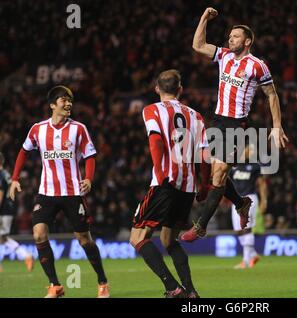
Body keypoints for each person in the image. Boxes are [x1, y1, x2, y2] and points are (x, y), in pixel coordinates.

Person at [181, 7, 289, 242]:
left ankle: (200, 226)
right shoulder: (224, 56)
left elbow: (272, 95)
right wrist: (203, 18)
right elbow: (198, 46)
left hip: (236, 124)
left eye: (236, 36)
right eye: (229, 36)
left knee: (219, 174)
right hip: (218, 119)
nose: (230, 38)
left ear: (247, 41)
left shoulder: (257, 65)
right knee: (212, 171)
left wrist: (277, 126)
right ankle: (242, 203)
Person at [9, 86, 109, 298]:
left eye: (70, 100)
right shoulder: (38, 129)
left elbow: (90, 156)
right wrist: (15, 179)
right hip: (47, 193)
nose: (69, 103)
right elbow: (23, 151)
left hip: (72, 192)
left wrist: (89, 178)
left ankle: (102, 282)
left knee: (84, 240)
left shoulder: (78, 129)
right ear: (52, 105)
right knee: (39, 234)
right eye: (64, 100)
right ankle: (55, 285)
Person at [129, 70, 210, 298]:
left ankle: (173, 288)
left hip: (165, 183)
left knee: (137, 238)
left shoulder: (152, 110)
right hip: (188, 186)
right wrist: (203, 186)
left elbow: (155, 140)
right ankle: (191, 292)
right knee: (169, 239)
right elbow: (204, 155)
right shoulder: (196, 116)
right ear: (180, 89)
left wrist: (161, 171)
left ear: (157, 89)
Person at [229, 144, 267, 269]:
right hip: (236, 200)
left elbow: (262, 184)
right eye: (249, 149)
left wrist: (264, 200)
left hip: (250, 198)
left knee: (247, 227)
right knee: (238, 229)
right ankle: (253, 254)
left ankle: (245, 261)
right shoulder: (233, 166)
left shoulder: (255, 166)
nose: (251, 152)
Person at [0, 152, 34, 273]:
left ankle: (26, 256)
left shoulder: (0, 174)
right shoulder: (6, 174)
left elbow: (1, 193)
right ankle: (26, 256)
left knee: (3, 238)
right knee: (3, 238)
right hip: (8, 210)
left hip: (2, 210)